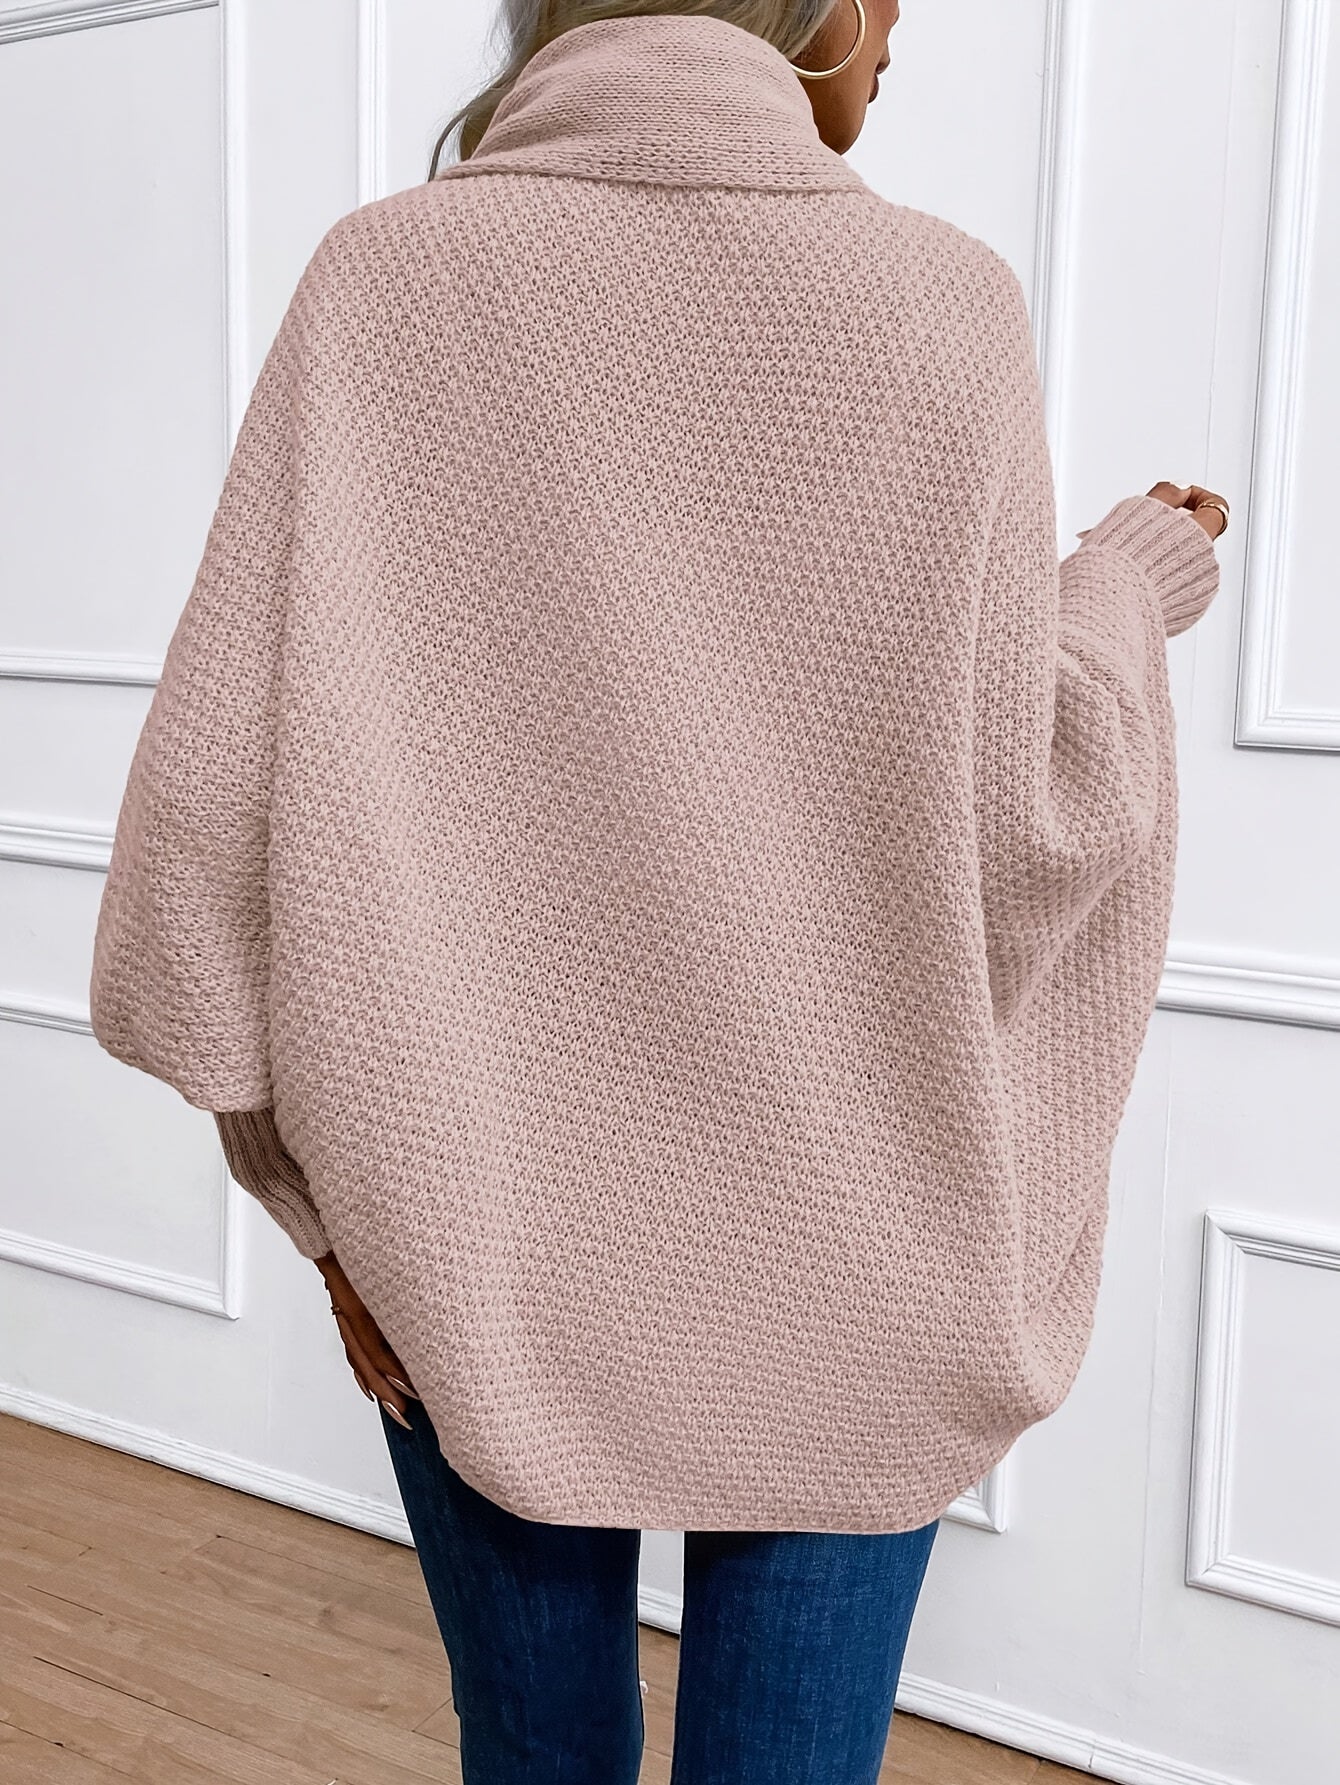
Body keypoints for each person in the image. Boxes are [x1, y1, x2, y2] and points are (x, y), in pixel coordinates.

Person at [88, 3, 1229, 1781]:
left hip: (471, 1242)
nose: (903, 25)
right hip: (863, 1250)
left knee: (535, 1755)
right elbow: (1035, 812)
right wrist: (1129, 580)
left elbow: (218, 824)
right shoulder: (948, 304)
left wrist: (320, 1210)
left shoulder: (386, 283)